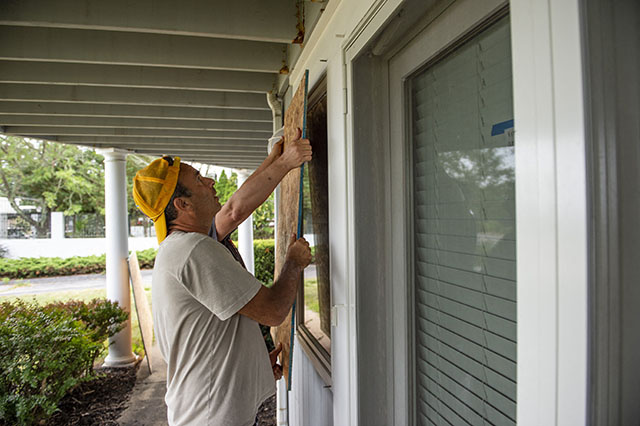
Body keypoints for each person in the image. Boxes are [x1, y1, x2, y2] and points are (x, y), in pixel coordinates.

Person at [132, 130, 312, 426]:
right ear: (183, 205)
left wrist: (251, 363)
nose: (211, 182)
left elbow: (234, 210)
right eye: (200, 180)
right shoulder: (194, 251)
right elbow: (273, 311)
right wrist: (293, 262)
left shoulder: (179, 248)